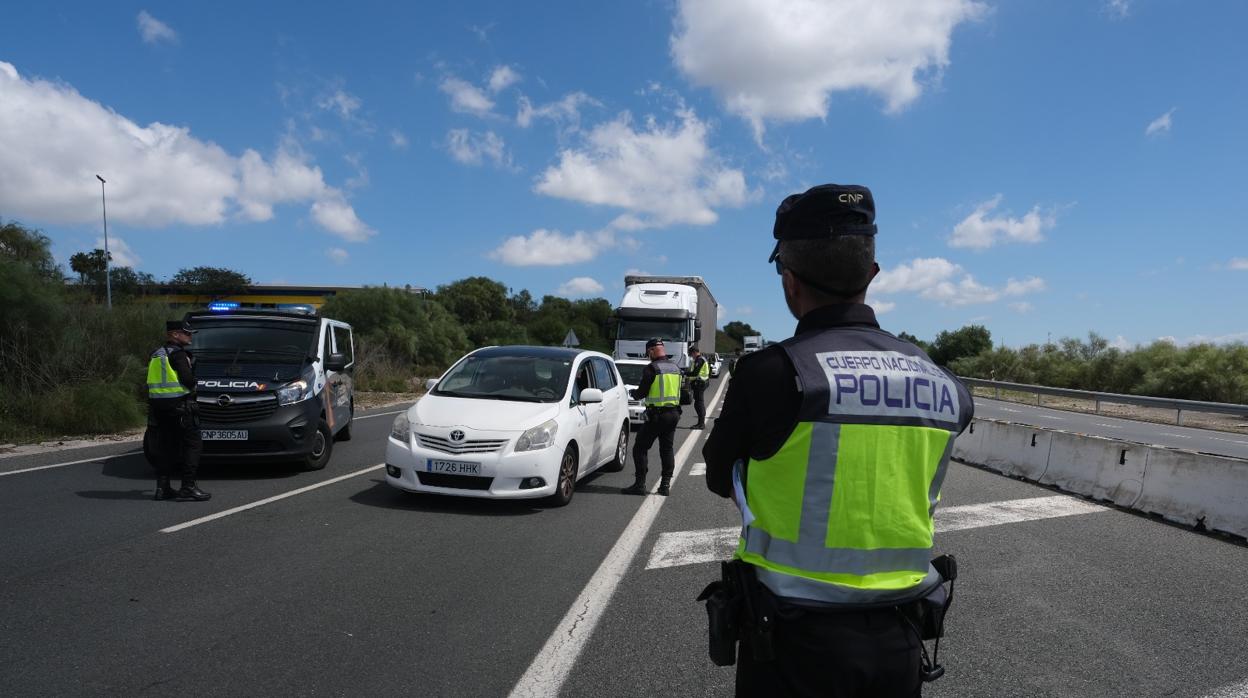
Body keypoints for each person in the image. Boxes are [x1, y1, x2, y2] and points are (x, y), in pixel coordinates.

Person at [702, 184, 973, 697]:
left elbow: (722, 478)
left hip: (791, 638)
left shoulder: (772, 372)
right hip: (901, 637)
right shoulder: (942, 381)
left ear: (789, 281)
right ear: (872, 275)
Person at [146, 319, 210, 502]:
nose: (190, 337)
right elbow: (188, 381)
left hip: (158, 408)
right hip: (181, 407)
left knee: (166, 448)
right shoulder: (179, 355)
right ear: (175, 334)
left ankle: (162, 488)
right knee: (193, 445)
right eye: (187, 333)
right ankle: (188, 487)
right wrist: (194, 379)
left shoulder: (156, 354)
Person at [621, 338, 682, 496]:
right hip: (673, 414)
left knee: (640, 448)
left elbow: (642, 392)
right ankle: (665, 486)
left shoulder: (652, 368)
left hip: (657, 416)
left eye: (648, 352)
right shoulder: (676, 368)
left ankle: (640, 485)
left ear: (651, 351)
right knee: (667, 449)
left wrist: (633, 393)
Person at [685, 346, 710, 429]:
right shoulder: (700, 359)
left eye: (691, 354)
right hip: (700, 383)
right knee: (698, 403)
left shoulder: (700, 360)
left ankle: (701, 424)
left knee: (699, 404)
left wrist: (684, 373)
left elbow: (695, 373)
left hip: (700, 383)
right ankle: (700, 423)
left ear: (694, 352)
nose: (691, 356)